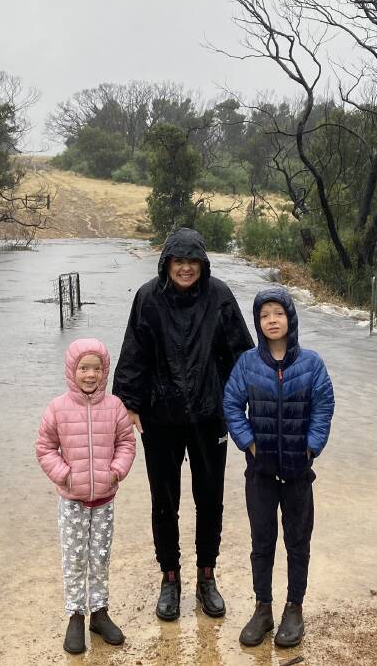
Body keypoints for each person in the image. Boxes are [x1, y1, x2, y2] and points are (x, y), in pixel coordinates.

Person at [113, 227, 254, 621]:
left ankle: (206, 576)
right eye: (179, 261)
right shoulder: (147, 298)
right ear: (167, 263)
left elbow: (241, 353)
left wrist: (238, 403)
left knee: (210, 499)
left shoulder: (220, 296)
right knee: (165, 502)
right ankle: (170, 577)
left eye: (193, 261)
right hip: (160, 417)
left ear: (203, 264)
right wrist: (129, 403)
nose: (186, 268)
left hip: (211, 416)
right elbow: (133, 353)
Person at [222, 287, 335, 648]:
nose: (271, 320)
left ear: (290, 318)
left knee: (298, 543)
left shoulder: (311, 364)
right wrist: (249, 443)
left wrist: (311, 448)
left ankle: (294, 608)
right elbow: (231, 405)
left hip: (299, 473)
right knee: (262, 543)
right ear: (257, 323)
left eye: (278, 313)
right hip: (261, 473)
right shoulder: (247, 363)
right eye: (264, 315)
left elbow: (324, 407)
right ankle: (263, 608)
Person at [35, 338, 137, 655]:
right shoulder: (58, 408)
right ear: (72, 370)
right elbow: (44, 448)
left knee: (99, 557)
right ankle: (76, 616)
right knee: (75, 559)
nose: (90, 375)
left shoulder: (115, 407)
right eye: (83, 368)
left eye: (96, 368)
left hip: (104, 500)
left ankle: (100, 613)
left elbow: (126, 444)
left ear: (104, 371)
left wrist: (115, 472)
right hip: (71, 501)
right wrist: (65, 475)